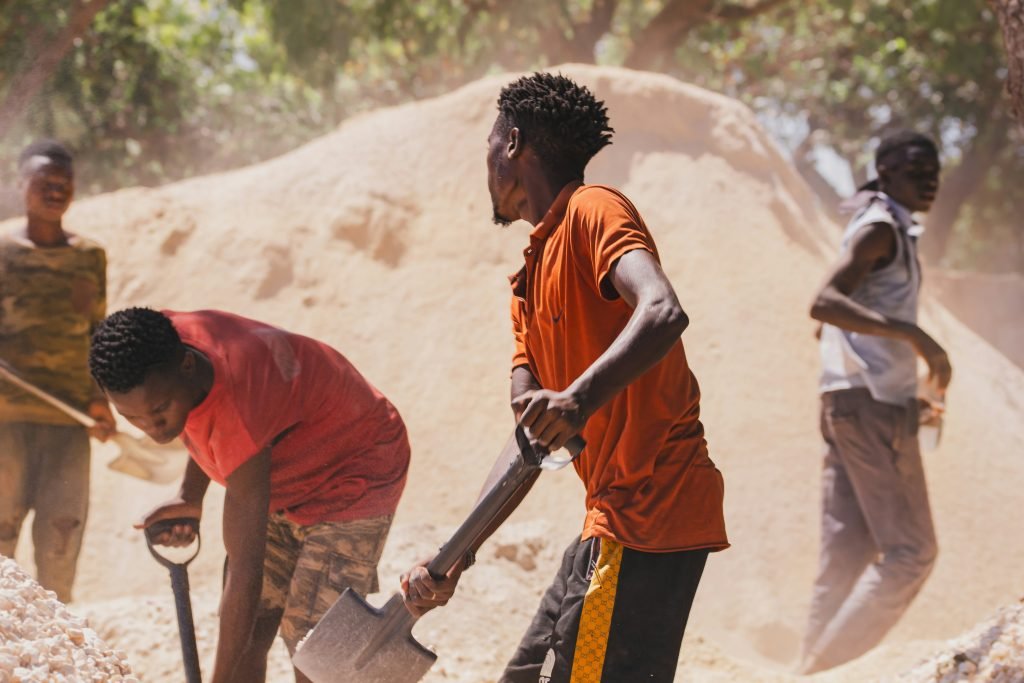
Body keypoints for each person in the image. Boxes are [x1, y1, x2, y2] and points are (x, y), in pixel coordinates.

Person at [401, 73, 728, 682]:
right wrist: (455, 556)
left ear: (513, 142)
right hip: (609, 522)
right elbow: (531, 439)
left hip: (653, 514)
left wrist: (578, 397)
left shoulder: (591, 209)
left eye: (488, 145)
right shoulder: (526, 286)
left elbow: (662, 309)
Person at [88, 307, 410, 683]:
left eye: (159, 411)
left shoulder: (239, 406)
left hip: (355, 468)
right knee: (248, 625)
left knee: (314, 642)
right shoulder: (152, 347)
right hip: (284, 468)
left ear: (187, 366)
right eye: (133, 419)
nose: (152, 428)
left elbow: (246, 568)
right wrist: (190, 494)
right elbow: (202, 416)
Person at [801, 130, 950, 673]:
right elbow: (824, 304)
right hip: (871, 406)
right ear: (884, 171)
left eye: (935, 169)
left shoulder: (884, 227)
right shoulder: (881, 228)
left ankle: (801, 669)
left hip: (848, 402)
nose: (930, 179)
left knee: (845, 555)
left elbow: (837, 320)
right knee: (912, 552)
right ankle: (824, 671)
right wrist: (918, 339)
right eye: (916, 168)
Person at [0, 140, 116, 603]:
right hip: (5, 423)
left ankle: (53, 658)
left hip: (68, 424)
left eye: (63, 184)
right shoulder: (3, 253)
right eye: (44, 183)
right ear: (20, 185)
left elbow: (97, 333)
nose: (55, 191)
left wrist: (100, 399)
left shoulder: (90, 257)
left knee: (60, 544)